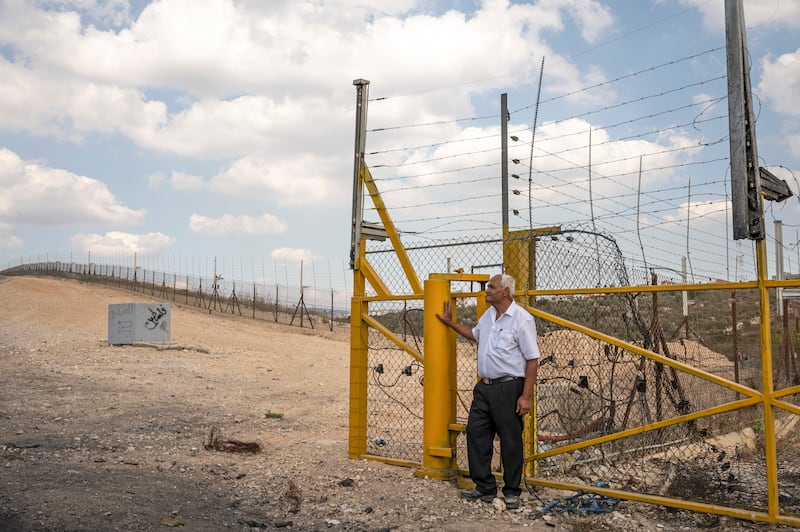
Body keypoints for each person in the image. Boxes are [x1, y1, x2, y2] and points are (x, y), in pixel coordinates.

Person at [436, 273, 540, 510]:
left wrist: (525, 396)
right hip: (484, 388)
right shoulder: (488, 316)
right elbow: (475, 335)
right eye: (487, 286)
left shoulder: (522, 320)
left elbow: (532, 359)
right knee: (475, 432)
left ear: (505, 291)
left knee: (510, 439)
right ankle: (484, 487)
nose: (487, 289)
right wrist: (450, 323)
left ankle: (512, 491)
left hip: (509, 387)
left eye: (492, 287)